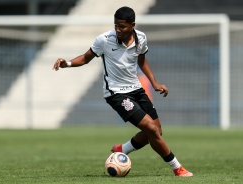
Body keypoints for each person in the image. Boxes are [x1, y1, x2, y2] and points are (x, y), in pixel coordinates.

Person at [53, 6, 193, 177]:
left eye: (122, 26)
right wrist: (66, 63)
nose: (118, 30)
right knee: (151, 128)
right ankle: (177, 168)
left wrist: (154, 83)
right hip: (116, 93)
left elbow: (141, 60)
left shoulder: (141, 38)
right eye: (116, 26)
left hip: (136, 89)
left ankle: (123, 149)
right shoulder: (104, 40)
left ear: (132, 25)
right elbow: (85, 58)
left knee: (157, 130)